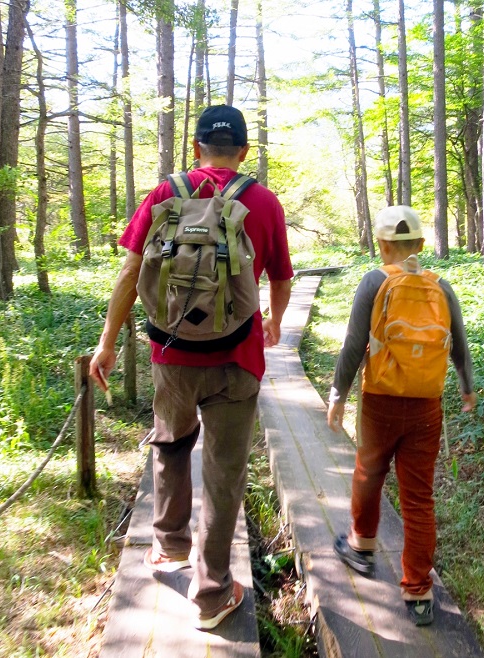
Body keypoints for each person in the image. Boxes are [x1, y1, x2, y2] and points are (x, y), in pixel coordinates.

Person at [90, 105, 293, 630]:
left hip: (172, 354)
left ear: (196, 146)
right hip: (236, 358)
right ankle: (211, 594)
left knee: (172, 442)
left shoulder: (166, 193)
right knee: (224, 473)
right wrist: (273, 322)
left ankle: (168, 545)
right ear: (244, 151)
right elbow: (281, 276)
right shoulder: (263, 200)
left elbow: (131, 271)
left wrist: (107, 342)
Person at [326, 205, 476, 627]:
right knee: (418, 497)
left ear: (381, 244)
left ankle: (361, 546)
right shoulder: (441, 286)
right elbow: (459, 345)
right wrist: (466, 389)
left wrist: (338, 394)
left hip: (380, 401)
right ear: (422, 246)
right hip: (428, 406)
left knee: (368, 471)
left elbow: (354, 345)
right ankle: (419, 591)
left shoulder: (374, 280)